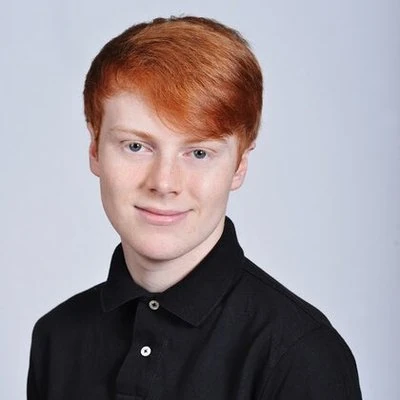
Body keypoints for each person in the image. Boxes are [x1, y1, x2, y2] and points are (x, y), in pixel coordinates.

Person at [27, 16, 362, 399]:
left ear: (239, 165)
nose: (164, 183)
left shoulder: (299, 355)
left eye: (199, 152)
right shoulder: (57, 338)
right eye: (136, 146)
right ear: (94, 149)